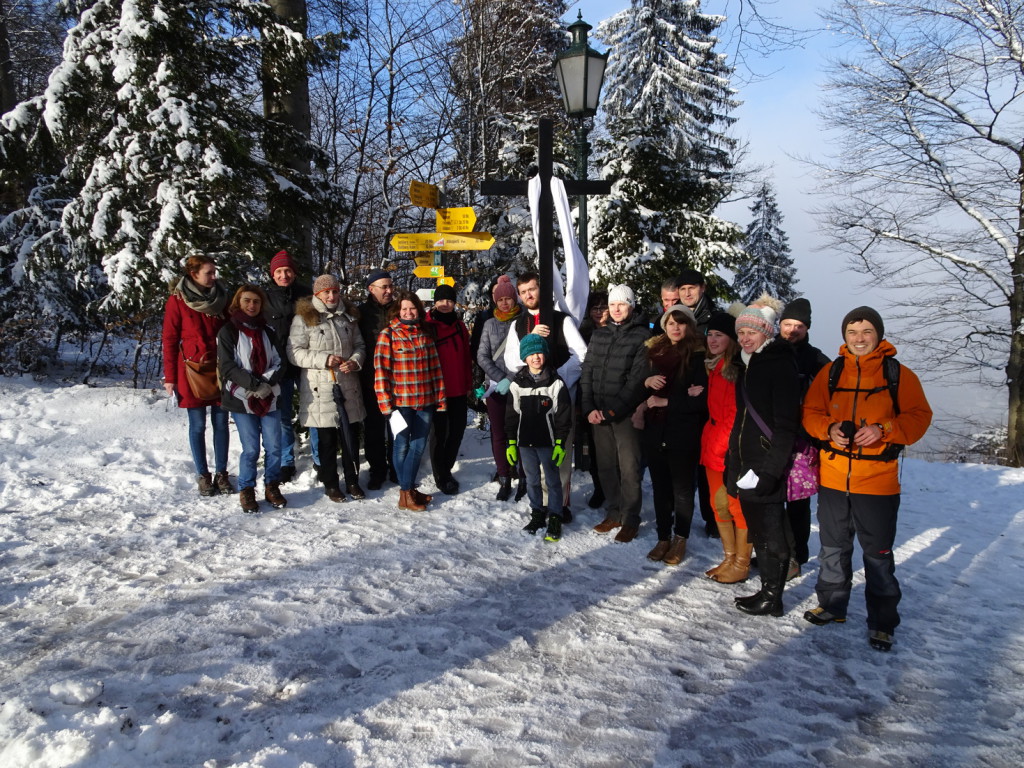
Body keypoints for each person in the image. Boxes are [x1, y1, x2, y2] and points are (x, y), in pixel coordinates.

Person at [801, 306, 932, 652]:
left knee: (877, 554)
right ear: (844, 337)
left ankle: (883, 622)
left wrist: (885, 430)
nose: (859, 339)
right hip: (832, 477)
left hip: (877, 482)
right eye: (852, 333)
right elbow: (810, 413)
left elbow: (919, 418)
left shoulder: (898, 375)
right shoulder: (831, 373)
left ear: (878, 335)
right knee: (833, 548)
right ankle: (832, 605)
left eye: (866, 332)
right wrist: (828, 429)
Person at [728, 297, 801, 617]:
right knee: (758, 530)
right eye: (741, 331)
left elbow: (786, 426)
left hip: (768, 462)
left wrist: (772, 471)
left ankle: (774, 595)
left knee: (772, 531)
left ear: (767, 333)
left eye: (751, 331)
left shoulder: (779, 364)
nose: (745, 337)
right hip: (746, 462)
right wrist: (734, 463)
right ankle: (768, 590)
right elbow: (740, 418)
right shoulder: (747, 364)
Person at [503, 272, 587, 518]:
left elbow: (581, 354)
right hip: (530, 404)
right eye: (524, 291)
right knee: (535, 456)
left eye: (533, 289)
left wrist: (557, 377)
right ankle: (540, 505)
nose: (529, 294)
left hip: (558, 400)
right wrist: (530, 341)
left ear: (542, 290)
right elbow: (511, 360)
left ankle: (559, 506)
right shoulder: (517, 324)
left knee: (559, 457)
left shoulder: (562, 320)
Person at [580, 284, 651, 543]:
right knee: (606, 466)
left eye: (622, 304)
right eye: (612, 305)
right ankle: (614, 511)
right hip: (597, 413)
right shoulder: (599, 336)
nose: (616, 309)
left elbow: (637, 380)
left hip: (624, 414)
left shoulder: (642, 336)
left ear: (631, 306)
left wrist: (612, 410)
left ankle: (630, 518)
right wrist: (588, 408)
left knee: (629, 467)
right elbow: (587, 372)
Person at [288, 274, 366, 503]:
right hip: (320, 388)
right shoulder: (304, 318)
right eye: (326, 292)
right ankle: (331, 484)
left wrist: (355, 360)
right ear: (317, 294)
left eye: (335, 291)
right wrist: (323, 359)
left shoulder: (348, 316)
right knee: (327, 441)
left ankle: (352, 480)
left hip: (348, 385)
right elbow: (294, 352)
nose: (331, 296)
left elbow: (360, 344)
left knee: (350, 437)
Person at [640, 305, 708, 565]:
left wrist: (666, 401)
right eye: (670, 323)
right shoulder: (654, 353)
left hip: (683, 433)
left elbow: (700, 402)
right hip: (656, 431)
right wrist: (646, 383)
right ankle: (662, 537)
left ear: (689, 326)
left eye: (681, 323)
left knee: (682, 490)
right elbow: (642, 389)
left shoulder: (698, 357)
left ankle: (680, 538)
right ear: (664, 326)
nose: (675, 328)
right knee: (660, 489)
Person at [161, 253, 233, 497]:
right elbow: (170, 339)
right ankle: (203, 475)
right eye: (209, 273)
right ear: (193, 275)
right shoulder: (177, 300)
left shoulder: (222, 297)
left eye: (214, 272)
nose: (214, 277)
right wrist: (170, 377)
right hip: (191, 370)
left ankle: (222, 473)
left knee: (221, 423)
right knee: (198, 425)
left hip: (221, 368)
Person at [217, 285, 287, 513]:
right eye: (247, 300)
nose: (252, 305)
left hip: (269, 395)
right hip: (241, 396)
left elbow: (279, 362)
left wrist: (266, 383)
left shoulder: (269, 331)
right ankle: (247, 489)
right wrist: (254, 384)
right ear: (238, 301)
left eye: (256, 302)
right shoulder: (228, 331)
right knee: (251, 449)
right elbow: (227, 366)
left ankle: (271, 485)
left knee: (275, 446)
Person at [374, 290, 446, 511]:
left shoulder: (425, 334)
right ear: (398, 310)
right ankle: (406, 491)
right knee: (401, 445)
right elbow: (381, 371)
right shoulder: (389, 335)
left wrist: (440, 398)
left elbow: (435, 369)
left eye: (412, 308)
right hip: (400, 403)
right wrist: (385, 403)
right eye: (404, 308)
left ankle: (407, 491)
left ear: (418, 310)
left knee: (418, 445)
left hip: (425, 401)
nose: (408, 312)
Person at [778, 297, 830, 577]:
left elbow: (833, 393)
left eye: (798, 326)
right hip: (770, 438)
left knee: (797, 504)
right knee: (771, 500)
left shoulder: (816, 359)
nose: (792, 330)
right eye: (787, 324)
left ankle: (796, 556)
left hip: (801, 441)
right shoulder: (768, 351)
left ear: (807, 328)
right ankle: (775, 553)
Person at [505, 334, 572, 542]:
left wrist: (560, 442)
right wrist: (511, 443)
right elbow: (511, 415)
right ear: (524, 357)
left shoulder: (555, 383)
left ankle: (555, 515)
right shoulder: (517, 384)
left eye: (539, 352)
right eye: (531, 354)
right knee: (532, 480)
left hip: (548, 442)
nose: (536, 357)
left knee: (552, 480)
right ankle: (537, 513)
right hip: (525, 443)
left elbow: (563, 415)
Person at [701, 310, 751, 583]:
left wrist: (721, 447)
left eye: (719, 335)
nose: (712, 340)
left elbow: (735, 415)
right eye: (710, 335)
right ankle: (729, 557)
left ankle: (741, 563)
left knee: (736, 506)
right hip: (712, 444)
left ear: (731, 339)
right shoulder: (714, 366)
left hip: (729, 449)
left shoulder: (736, 370)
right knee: (717, 504)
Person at [263, 249, 312, 483]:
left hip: (305, 365)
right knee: (282, 415)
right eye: (279, 271)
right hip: (279, 366)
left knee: (312, 412)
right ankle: (286, 461)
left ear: (294, 273)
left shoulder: (306, 295)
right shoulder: (265, 298)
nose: (284, 275)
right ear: (273, 274)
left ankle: (320, 460)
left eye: (288, 270)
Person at [676, 268, 718, 537]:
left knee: (708, 466)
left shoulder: (714, 319)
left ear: (702, 288)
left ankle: (713, 518)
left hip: (710, 400)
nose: (687, 292)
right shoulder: (677, 319)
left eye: (692, 287)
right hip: (683, 399)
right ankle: (685, 516)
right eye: (682, 289)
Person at [476, 275, 522, 500]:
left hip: (520, 387)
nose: (505, 303)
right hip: (494, 387)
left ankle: (523, 475)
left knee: (521, 433)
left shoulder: (523, 321)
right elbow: (482, 355)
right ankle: (504, 476)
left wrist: (511, 378)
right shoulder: (489, 324)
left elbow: (529, 354)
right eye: (500, 299)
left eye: (508, 298)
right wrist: (499, 378)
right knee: (499, 434)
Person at [424, 284, 472, 495]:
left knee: (457, 430)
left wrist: (469, 385)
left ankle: (447, 467)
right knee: (439, 434)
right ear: (435, 302)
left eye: (450, 301)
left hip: (459, 388)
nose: (445, 304)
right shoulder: (426, 325)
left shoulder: (460, 326)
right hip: (437, 390)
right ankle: (441, 476)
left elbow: (466, 358)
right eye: (441, 300)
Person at [357, 268, 395, 489]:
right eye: (384, 287)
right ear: (371, 289)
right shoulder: (361, 314)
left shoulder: (400, 310)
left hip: (398, 380)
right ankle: (377, 470)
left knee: (397, 427)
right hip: (370, 380)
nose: (389, 291)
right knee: (373, 428)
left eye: (391, 286)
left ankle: (396, 467)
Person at [577, 291, 608, 508]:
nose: (599, 313)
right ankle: (599, 488)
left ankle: (614, 489)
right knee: (594, 447)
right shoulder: (582, 334)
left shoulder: (619, 332)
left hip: (613, 396)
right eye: (595, 308)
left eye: (603, 307)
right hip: (589, 396)